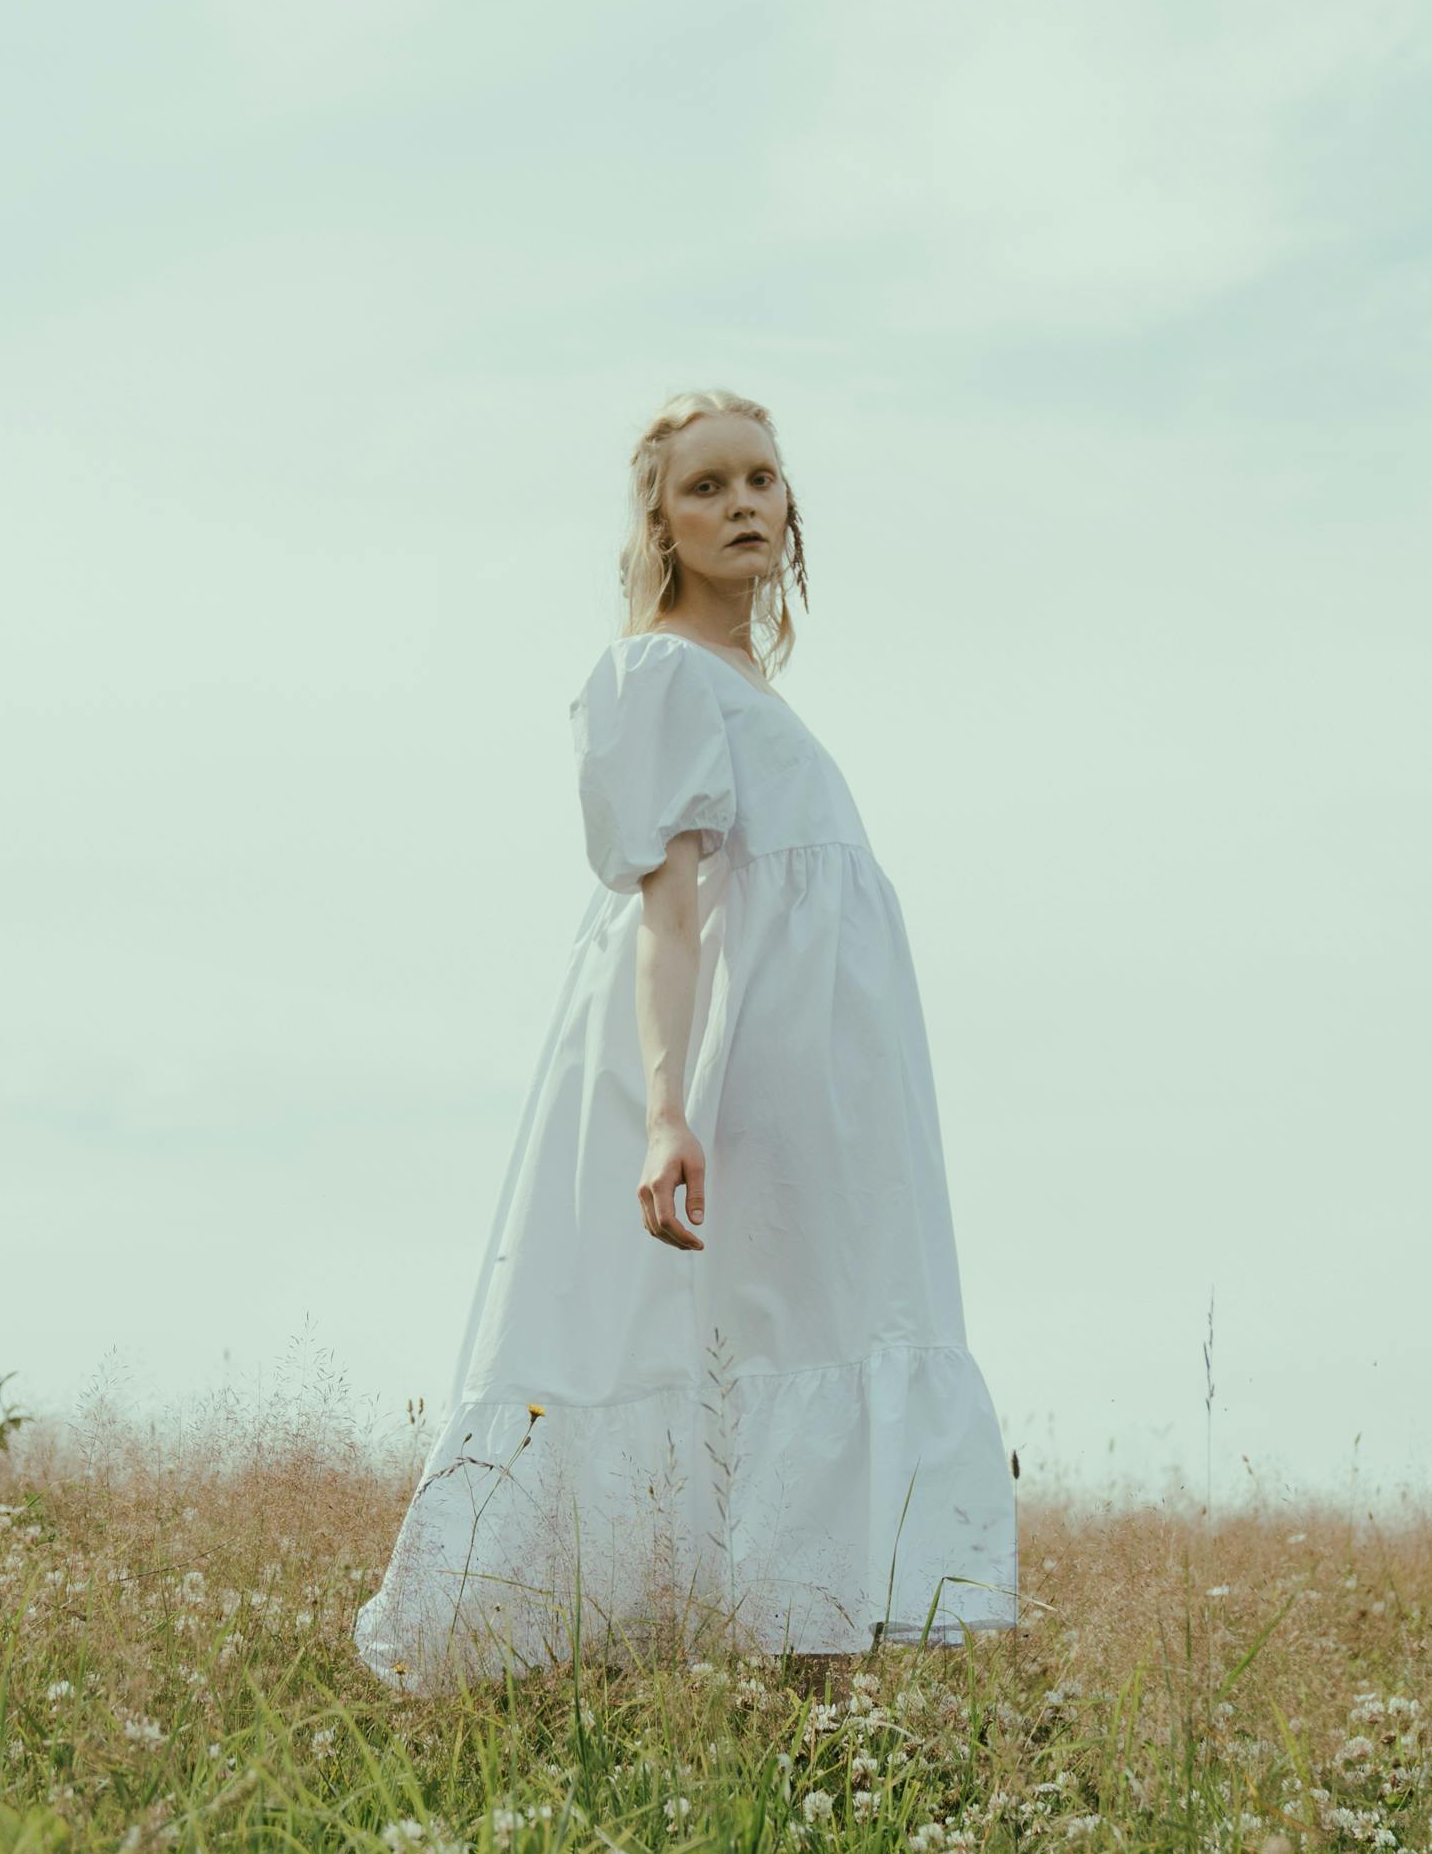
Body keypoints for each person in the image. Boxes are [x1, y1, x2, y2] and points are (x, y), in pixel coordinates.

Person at [351, 387, 1019, 1692]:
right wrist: (668, 1110)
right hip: (742, 1055)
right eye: (705, 487)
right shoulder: (654, 671)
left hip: (829, 1073)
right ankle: (728, 1680)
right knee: (757, 1329)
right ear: (657, 520)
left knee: (821, 1324)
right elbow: (664, 913)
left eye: (760, 481)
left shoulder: (750, 683)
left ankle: (811, 1685)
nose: (741, 506)